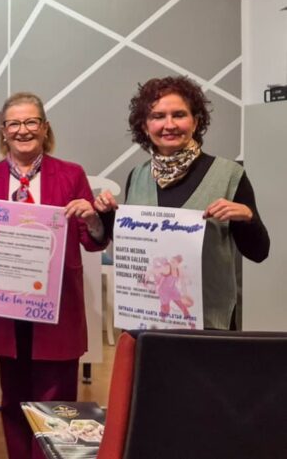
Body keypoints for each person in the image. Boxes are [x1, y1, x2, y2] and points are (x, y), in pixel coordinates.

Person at [0, 92, 108, 459]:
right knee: (13, 399)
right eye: (14, 124)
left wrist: (91, 217)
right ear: (3, 132)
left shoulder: (71, 175)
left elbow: (93, 242)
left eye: (31, 122)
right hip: (7, 307)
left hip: (57, 308)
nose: (23, 130)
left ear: (44, 128)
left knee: (56, 402)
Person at [93, 76, 269, 330]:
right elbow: (133, 248)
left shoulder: (228, 174)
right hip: (148, 319)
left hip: (209, 321)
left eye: (179, 114)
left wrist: (247, 218)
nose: (169, 125)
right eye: (158, 116)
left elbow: (259, 252)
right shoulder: (138, 175)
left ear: (196, 121)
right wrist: (107, 216)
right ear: (144, 126)